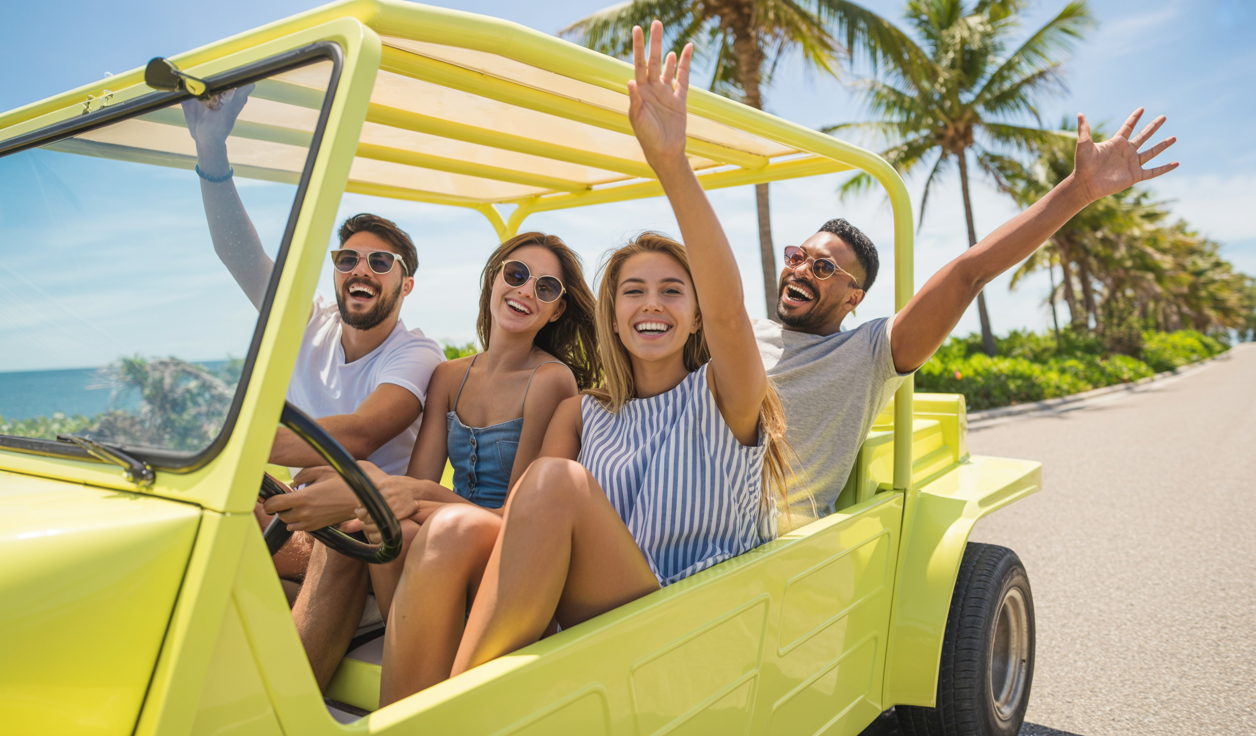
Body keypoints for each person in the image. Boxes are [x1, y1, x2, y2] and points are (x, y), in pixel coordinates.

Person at [419, 21, 795, 690]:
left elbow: (735, 313)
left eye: (671, 290)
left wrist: (671, 164)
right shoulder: (588, 412)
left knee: (556, 481)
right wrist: (414, 501)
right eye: (633, 292)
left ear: (696, 312)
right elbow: (520, 523)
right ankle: (408, 715)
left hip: (693, 627)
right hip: (597, 626)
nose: (651, 304)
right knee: (450, 532)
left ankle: (453, 711)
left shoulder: (725, 395)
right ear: (614, 317)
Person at [756, 122, 1177, 516]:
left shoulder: (866, 353)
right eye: (797, 257)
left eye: (823, 268)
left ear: (854, 299)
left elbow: (967, 275)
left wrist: (1077, 191)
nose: (799, 270)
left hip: (762, 534)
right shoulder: (741, 332)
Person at [182, 90, 446, 688]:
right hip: (297, 522)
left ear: (406, 286)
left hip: (371, 537)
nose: (362, 270)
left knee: (338, 513)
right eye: (349, 258)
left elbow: (361, 432)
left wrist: (239, 440)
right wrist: (211, 151)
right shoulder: (310, 321)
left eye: (382, 264)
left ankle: (281, 707)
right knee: (204, 506)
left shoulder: (415, 351)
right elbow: (236, 252)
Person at [324, 233, 598, 701]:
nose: (526, 291)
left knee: (407, 523)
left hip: (508, 546)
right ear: (493, 281)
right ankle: (412, 656)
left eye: (546, 288)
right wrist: (386, 495)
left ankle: (416, 680)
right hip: (446, 531)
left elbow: (519, 518)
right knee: (386, 524)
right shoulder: (448, 376)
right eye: (516, 275)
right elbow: (418, 481)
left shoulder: (551, 380)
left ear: (556, 310)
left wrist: (410, 497)